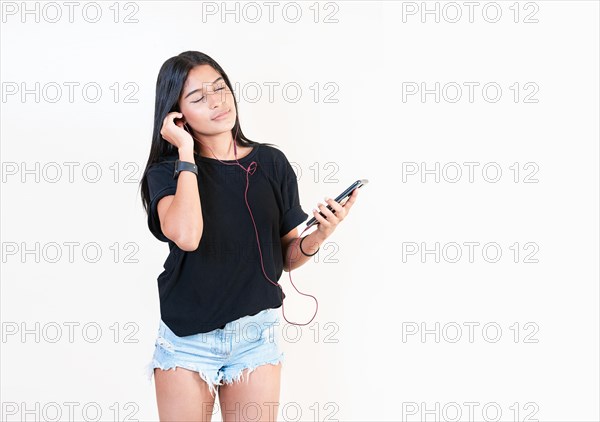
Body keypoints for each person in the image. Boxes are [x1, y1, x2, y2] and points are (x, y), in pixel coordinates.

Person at [139, 51, 360, 422]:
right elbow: (187, 236)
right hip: (186, 340)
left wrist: (321, 234)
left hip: (254, 337)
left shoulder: (272, 163)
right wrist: (187, 153)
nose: (217, 101)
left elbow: (288, 255)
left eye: (220, 88)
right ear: (176, 116)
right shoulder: (166, 173)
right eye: (198, 97)